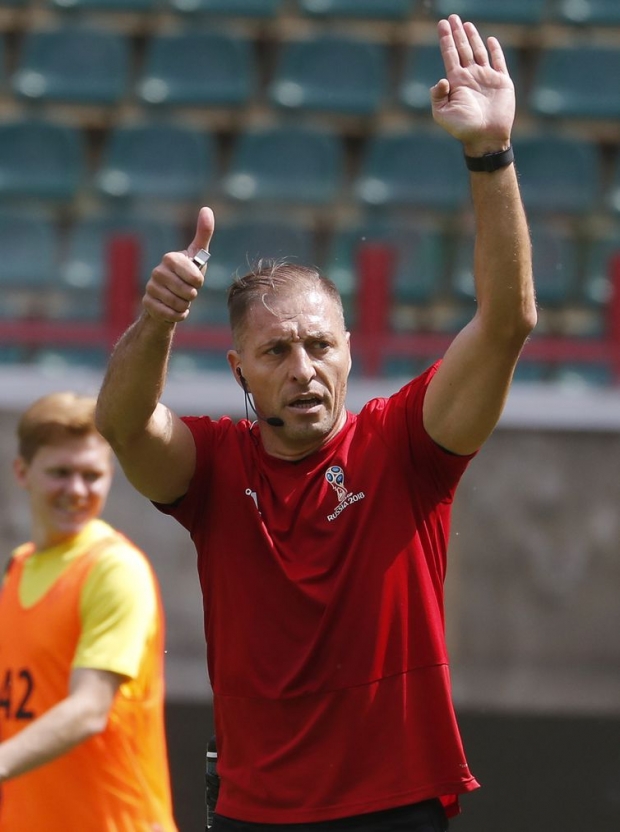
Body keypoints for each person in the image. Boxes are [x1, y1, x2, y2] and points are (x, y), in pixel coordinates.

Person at [95, 14, 536, 832]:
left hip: (394, 807)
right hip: (255, 814)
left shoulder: (406, 445)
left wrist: (490, 153)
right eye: (276, 352)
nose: (303, 369)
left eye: (319, 345)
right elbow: (123, 425)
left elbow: (507, 322)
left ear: (348, 351)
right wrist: (155, 322)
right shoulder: (217, 468)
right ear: (238, 372)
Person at [0, 392, 178, 832]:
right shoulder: (17, 569)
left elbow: (89, 708)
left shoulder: (113, 569)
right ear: (23, 472)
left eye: (91, 475)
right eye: (61, 473)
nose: (77, 491)